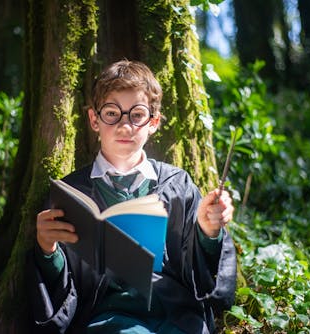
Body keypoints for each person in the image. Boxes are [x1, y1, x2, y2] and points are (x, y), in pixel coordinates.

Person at [28, 60, 237, 334]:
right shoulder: (72, 194)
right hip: (109, 317)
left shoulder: (177, 185)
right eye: (112, 113)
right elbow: (64, 284)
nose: (125, 125)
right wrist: (47, 249)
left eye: (137, 115)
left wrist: (208, 232)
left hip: (177, 314)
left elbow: (201, 273)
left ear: (154, 122)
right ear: (94, 119)